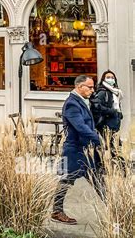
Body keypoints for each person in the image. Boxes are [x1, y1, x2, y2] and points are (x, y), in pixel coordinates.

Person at [51, 75, 103, 225]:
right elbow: (81, 127)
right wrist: (99, 141)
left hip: (85, 150)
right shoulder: (72, 104)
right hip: (75, 150)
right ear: (79, 86)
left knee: (97, 180)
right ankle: (57, 211)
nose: (93, 90)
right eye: (90, 87)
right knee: (67, 180)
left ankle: (115, 210)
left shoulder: (82, 101)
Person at [90, 70, 123, 157]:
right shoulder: (102, 92)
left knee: (115, 148)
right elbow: (97, 106)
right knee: (110, 148)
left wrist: (119, 114)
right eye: (108, 77)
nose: (111, 79)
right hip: (106, 125)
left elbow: (116, 106)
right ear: (103, 79)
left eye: (112, 77)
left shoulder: (115, 92)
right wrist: (111, 112)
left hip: (114, 125)